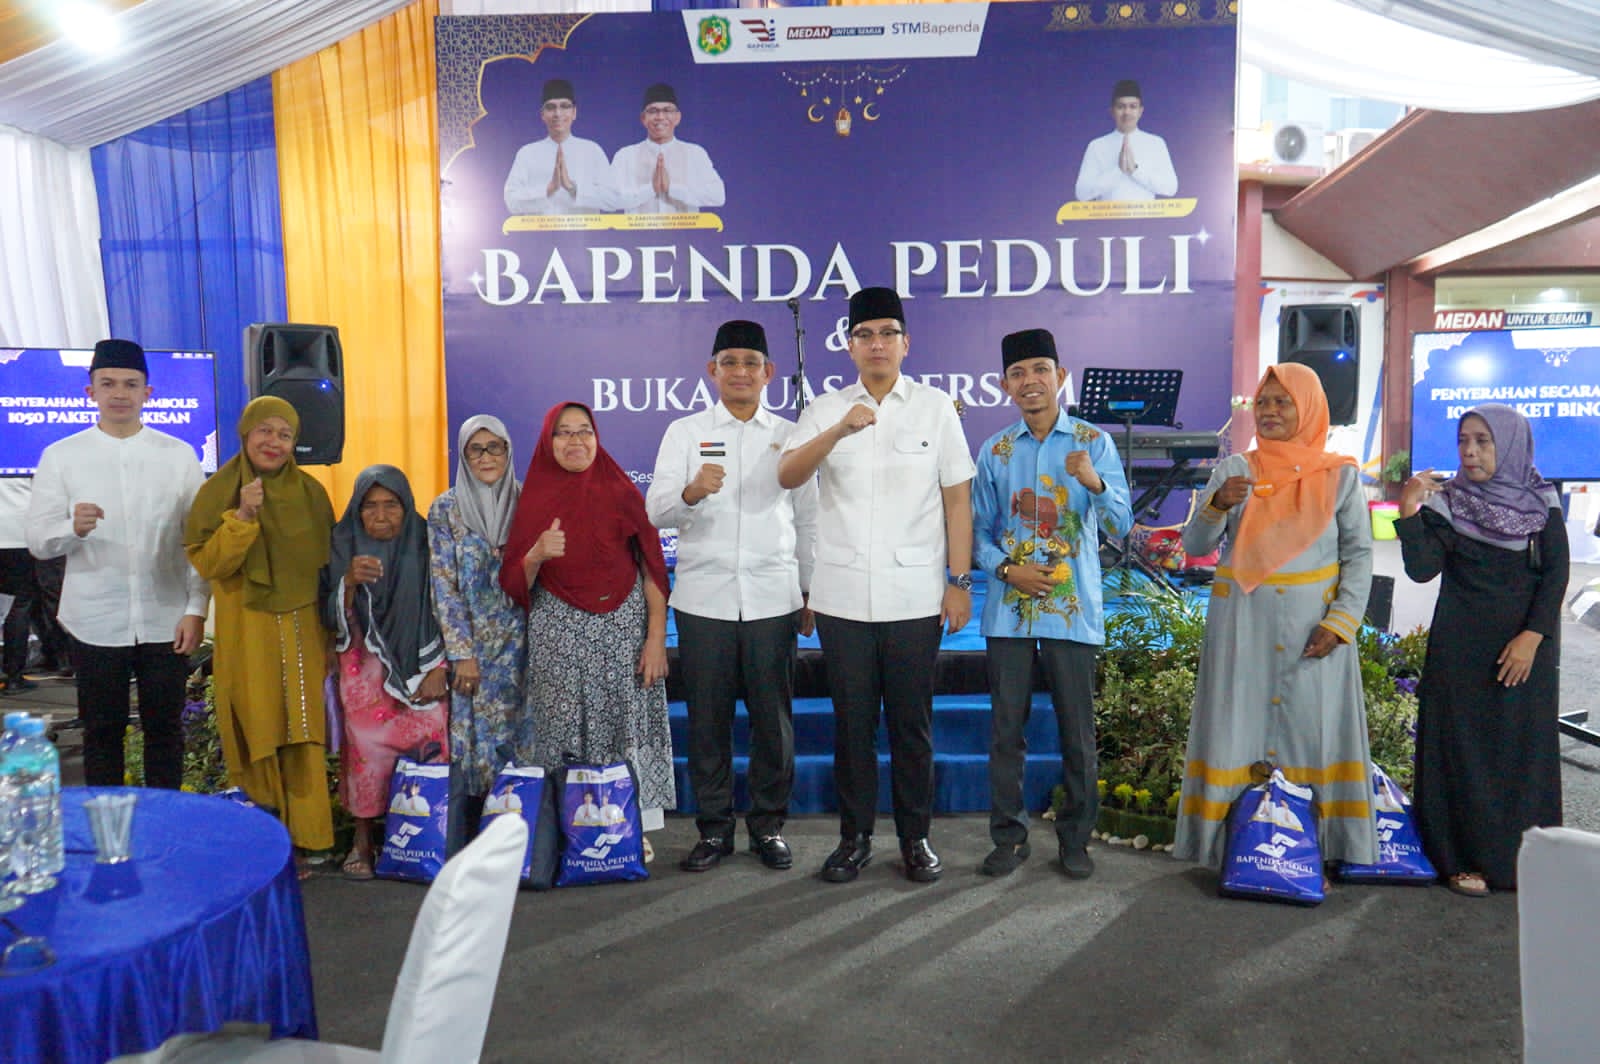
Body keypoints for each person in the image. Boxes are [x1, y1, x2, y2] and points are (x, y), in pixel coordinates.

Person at [778, 286, 976, 884]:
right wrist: (838, 431)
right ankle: (854, 838)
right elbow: (787, 474)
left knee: (911, 725)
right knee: (853, 725)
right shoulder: (826, 409)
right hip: (841, 597)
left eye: (888, 333)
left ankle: (916, 838)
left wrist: (959, 580)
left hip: (915, 595)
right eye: (864, 335)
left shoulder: (935, 407)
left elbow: (957, 500)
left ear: (905, 343)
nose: (877, 344)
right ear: (850, 346)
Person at [1171, 364, 1378, 871]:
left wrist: (1341, 622)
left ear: (1307, 407)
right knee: (1237, 727)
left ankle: (1317, 853)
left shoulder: (1340, 475)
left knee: (1313, 731)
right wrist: (1217, 505)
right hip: (1242, 628)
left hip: (1316, 631)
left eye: (1282, 402)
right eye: (1262, 402)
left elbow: (1359, 555)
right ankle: (1230, 850)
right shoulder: (1235, 469)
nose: (1268, 412)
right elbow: (1194, 545)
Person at [646, 320, 817, 873]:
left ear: (769, 372)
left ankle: (768, 826)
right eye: (729, 363)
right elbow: (656, 511)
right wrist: (691, 492)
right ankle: (715, 829)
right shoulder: (685, 432)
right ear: (712, 371)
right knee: (708, 722)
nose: (740, 372)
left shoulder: (791, 433)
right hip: (704, 601)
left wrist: (810, 588)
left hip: (774, 598)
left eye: (750, 363)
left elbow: (809, 518)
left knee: (773, 722)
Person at [972, 328, 1132, 879]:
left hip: (1072, 610)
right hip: (1008, 611)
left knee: (1076, 733)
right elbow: (977, 532)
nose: (1030, 381)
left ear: (1060, 376)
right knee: (1005, 733)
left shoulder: (1093, 443)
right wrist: (1006, 569)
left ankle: (1075, 839)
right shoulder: (994, 451)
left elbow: (1121, 524)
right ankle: (1009, 837)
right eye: (1017, 373)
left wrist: (1094, 483)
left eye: (1040, 369)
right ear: (1005, 386)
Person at [1396, 404, 1566, 897]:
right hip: (1460, 652)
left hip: (1524, 651)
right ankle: (1460, 859)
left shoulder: (1541, 501)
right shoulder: (1450, 502)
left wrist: (1532, 637)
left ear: (1509, 445)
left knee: (1521, 752)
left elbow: (1556, 574)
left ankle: (1524, 861)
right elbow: (1422, 569)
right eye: (1463, 441)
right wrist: (1408, 510)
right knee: (1461, 754)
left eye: (1483, 441)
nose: (1470, 452)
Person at [26, 339, 208, 789]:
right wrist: (72, 527)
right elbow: (38, 542)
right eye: (108, 384)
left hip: (166, 617)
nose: (120, 393)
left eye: (130, 384)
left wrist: (196, 608)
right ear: (90, 392)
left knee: (165, 731)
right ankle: (107, 823)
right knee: (102, 732)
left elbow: (198, 541)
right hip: (94, 619)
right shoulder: (62, 456)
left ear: (148, 392)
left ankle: (163, 821)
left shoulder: (179, 455)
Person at [499, 403, 676, 859]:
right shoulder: (533, 498)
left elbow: (653, 569)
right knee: (560, 729)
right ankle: (567, 831)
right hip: (557, 631)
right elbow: (514, 584)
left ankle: (630, 827)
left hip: (623, 630)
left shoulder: (621, 490)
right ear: (547, 441)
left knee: (624, 724)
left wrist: (656, 638)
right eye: (563, 432)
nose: (575, 441)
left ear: (597, 438)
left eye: (584, 431)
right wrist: (536, 554)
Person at [185, 397, 336, 866]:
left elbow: (329, 569)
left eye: (284, 434)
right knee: (255, 724)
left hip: (304, 627)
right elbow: (209, 563)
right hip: (246, 629)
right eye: (264, 431)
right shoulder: (218, 492)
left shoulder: (312, 494)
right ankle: (264, 840)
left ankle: (310, 837)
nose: (274, 442)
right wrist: (244, 518)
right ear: (246, 433)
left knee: (303, 727)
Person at [321, 465, 450, 879]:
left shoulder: (427, 541)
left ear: (406, 507)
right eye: (370, 505)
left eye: (391, 505)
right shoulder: (342, 543)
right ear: (356, 510)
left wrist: (439, 667)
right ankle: (363, 842)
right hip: (365, 670)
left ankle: (426, 840)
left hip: (423, 666)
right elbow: (325, 612)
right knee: (366, 756)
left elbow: (448, 606)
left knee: (430, 746)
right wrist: (348, 583)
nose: (380, 515)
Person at [428, 415, 528, 837]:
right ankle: (479, 839)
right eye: (476, 449)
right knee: (477, 745)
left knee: (525, 741)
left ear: (508, 450)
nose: (486, 457)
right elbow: (444, 586)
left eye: (495, 447)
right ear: (464, 456)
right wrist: (461, 653)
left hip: (525, 647)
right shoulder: (446, 509)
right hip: (475, 652)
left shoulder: (529, 501)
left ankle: (525, 838)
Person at [609, 83, 726, 216]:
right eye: (653, 111)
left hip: (685, 229)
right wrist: (651, 189)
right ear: (643, 118)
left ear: (677, 117)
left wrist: (672, 189)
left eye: (667, 110)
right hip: (638, 229)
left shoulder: (695, 153)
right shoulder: (625, 156)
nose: (660, 117)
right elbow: (610, 199)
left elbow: (718, 196)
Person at [503, 78, 613, 216]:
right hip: (539, 230)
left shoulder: (592, 151)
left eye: (564, 106)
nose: (558, 113)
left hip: (583, 230)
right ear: (542, 115)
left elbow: (612, 199)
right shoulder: (527, 153)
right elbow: (511, 201)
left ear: (574, 112)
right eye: (551, 107)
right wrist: (549, 189)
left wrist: (573, 188)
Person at [1073, 79, 1178, 202]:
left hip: (1146, 214)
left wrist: (1135, 171)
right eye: (1121, 107)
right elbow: (1081, 193)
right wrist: (1118, 171)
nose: (1127, 112)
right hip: (1106, 214)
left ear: (1140, 111)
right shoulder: (1097, 146)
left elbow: (1171, 188)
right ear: (1112, 111)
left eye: (1133, 106)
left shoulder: (1156, 143)